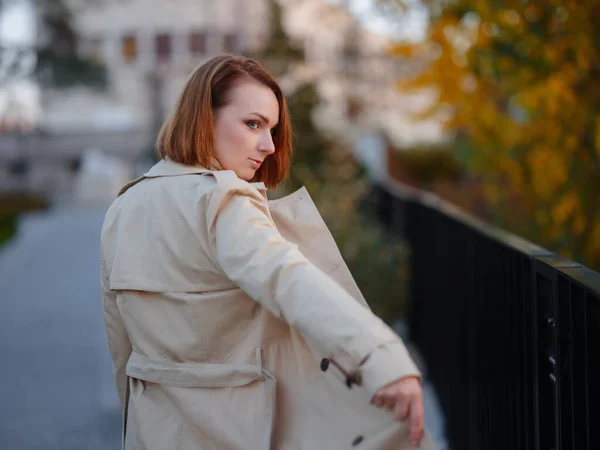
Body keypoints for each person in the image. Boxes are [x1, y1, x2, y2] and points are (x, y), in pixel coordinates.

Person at [100, 54, 435, 450]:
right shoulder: (223, 200)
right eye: (253, 123)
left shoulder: (123, 206)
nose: (269, 145)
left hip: (154, 430)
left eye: (272, 128)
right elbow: (285, 275)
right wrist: (379, 355)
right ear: (203, 118)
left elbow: (121, 346)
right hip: (234, 430)